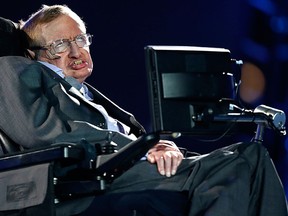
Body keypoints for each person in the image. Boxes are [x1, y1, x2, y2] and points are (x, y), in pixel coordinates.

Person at [0, 4, 286, 216]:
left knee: (246, 161)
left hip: (128, 166)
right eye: (60, 44)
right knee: (242, 160)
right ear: (32, 54)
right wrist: (140, 149)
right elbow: (41, 132)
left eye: (81, 39)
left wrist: (159, 145)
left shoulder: (86, 94)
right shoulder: (14, 69)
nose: (76, 52)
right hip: (88, 176)